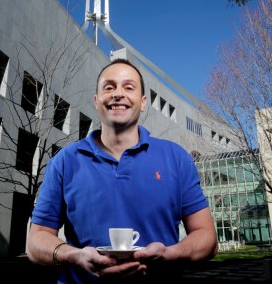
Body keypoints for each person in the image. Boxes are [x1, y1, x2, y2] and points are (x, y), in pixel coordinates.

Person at [27, 58, 218, 283]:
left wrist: (169, 254)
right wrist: (74, 256)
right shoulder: (64, 162)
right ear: (97, 101)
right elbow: (36, 241)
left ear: (143, 102)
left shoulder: (176, 158)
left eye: (129, 87)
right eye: (109, 87)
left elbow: (207, 238)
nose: (118, 94)